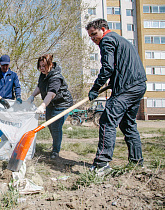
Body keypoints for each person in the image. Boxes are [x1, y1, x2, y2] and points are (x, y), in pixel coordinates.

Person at [86, 18, 147, 175]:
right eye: (90, 36)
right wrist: (113, 82)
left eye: (94, 34)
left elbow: (107, 68)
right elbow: (119, 67)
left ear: (103, 29)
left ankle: (101, 164)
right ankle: (136, 162)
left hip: (126, 88)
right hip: (138, 86)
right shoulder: (120, 40)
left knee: (106, 122)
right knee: (128, 124)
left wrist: (95, 88)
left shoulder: (107, 41)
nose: (93, 39)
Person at [27, 54, 73, 159]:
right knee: (49, 124)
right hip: (51, 104)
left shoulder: (56, 77)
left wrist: (42, 106)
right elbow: (40, 86)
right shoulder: (43, 74)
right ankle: (55, 144)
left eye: (44, 66)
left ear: (50, 64)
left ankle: (56, 151)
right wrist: (32, 96)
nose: (41, 68)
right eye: (40, 66)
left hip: (62, 104)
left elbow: (51, 94)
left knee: (56, 127)